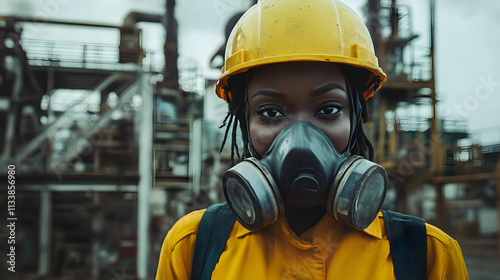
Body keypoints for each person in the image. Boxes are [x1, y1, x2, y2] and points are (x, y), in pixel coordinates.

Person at [156, 0, 469, 279]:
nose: (300, 139)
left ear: (356, 117)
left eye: (329, 109)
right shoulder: (192, 247)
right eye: (269, 112)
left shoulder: (428, 257)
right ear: (243, 120)